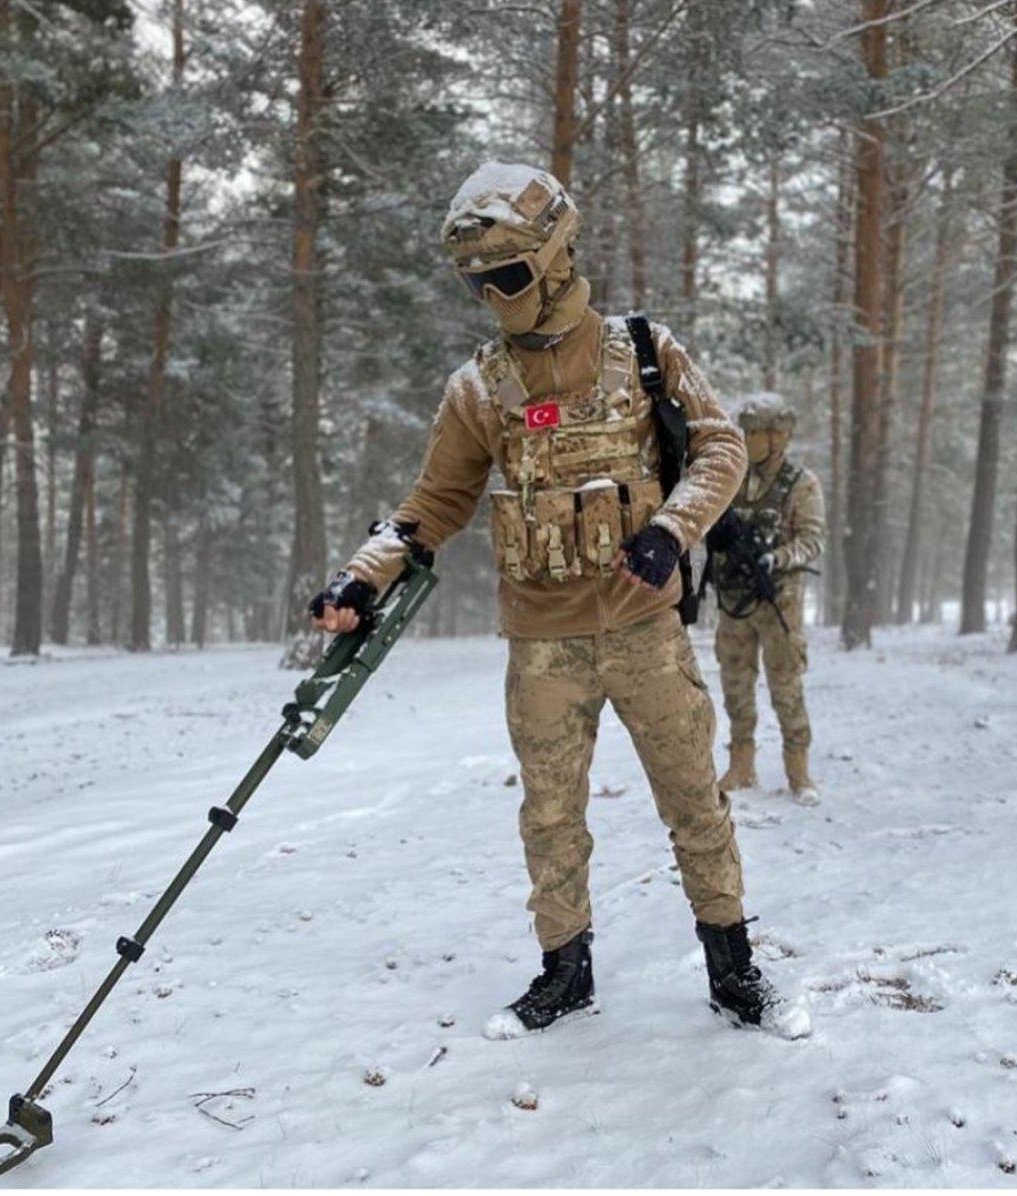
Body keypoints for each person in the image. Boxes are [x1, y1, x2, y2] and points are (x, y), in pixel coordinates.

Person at [310, 163, 808, 1040]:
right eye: (475, 282)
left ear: (553, 259)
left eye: (504, 275)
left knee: (694, 799)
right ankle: (564, 972)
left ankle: (732, 968)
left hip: (643, 630)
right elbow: (433, 503)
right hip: (542, 643)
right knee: (549, 816)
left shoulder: (644, 352)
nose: (491, 296)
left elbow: (722, 449)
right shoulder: (478, 386)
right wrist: (362, 576)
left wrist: (670, 531)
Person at [712, 393, 825, 805]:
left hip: (780, 602)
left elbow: (812, 540)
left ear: (778, 437)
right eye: (746, 432)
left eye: (756, 432)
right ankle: (741, 764)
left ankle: (798, 770)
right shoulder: (734, 479)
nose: (748, 440)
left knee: (786, 685)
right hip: (735, 601)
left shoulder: (800, 483)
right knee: (735, 683)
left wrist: (776, 557)